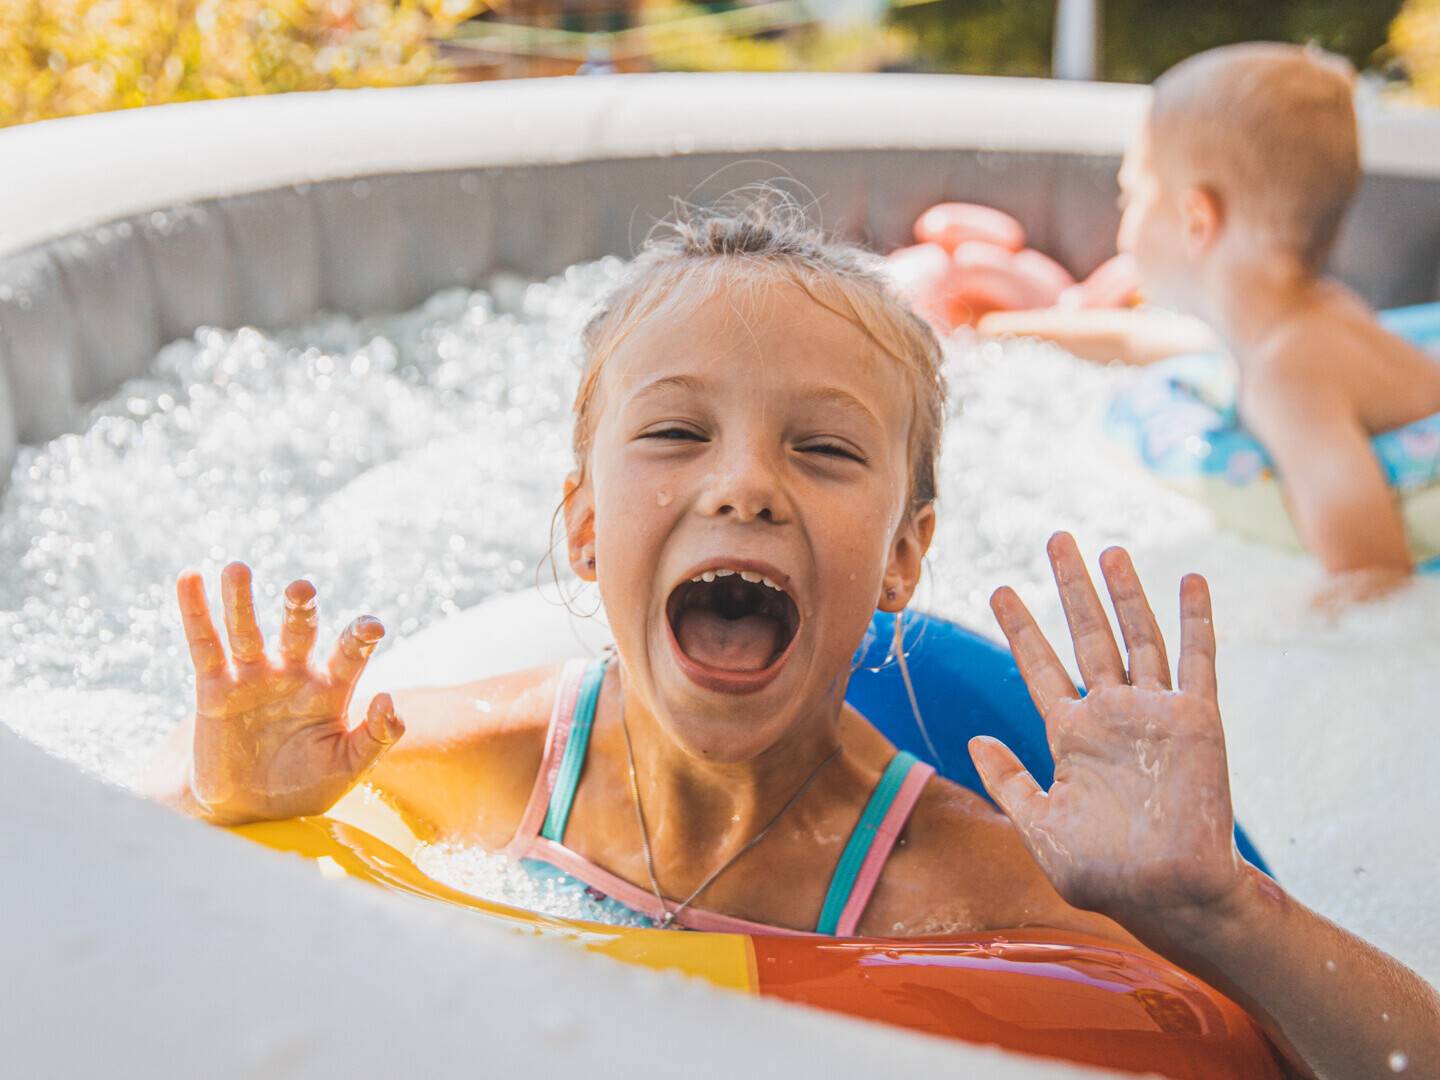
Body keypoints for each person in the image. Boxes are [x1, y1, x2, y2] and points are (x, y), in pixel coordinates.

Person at [141, 199, 1438, 1078]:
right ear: (587, 529)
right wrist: (226, 801)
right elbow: (122, 873)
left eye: (821, 449)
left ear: (903, 559)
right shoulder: (472, 758)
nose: (745, 485)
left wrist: (1221, 910)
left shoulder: (979, 882)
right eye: (676, 433)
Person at [979, 43, 1440, 598]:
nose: (1122, 220)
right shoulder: (1303, 313)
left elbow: (1372, 570)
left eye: (1130, 197)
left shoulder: (1289, 379)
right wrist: (994, 327)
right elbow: (1140, 338)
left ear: (1195, 221)